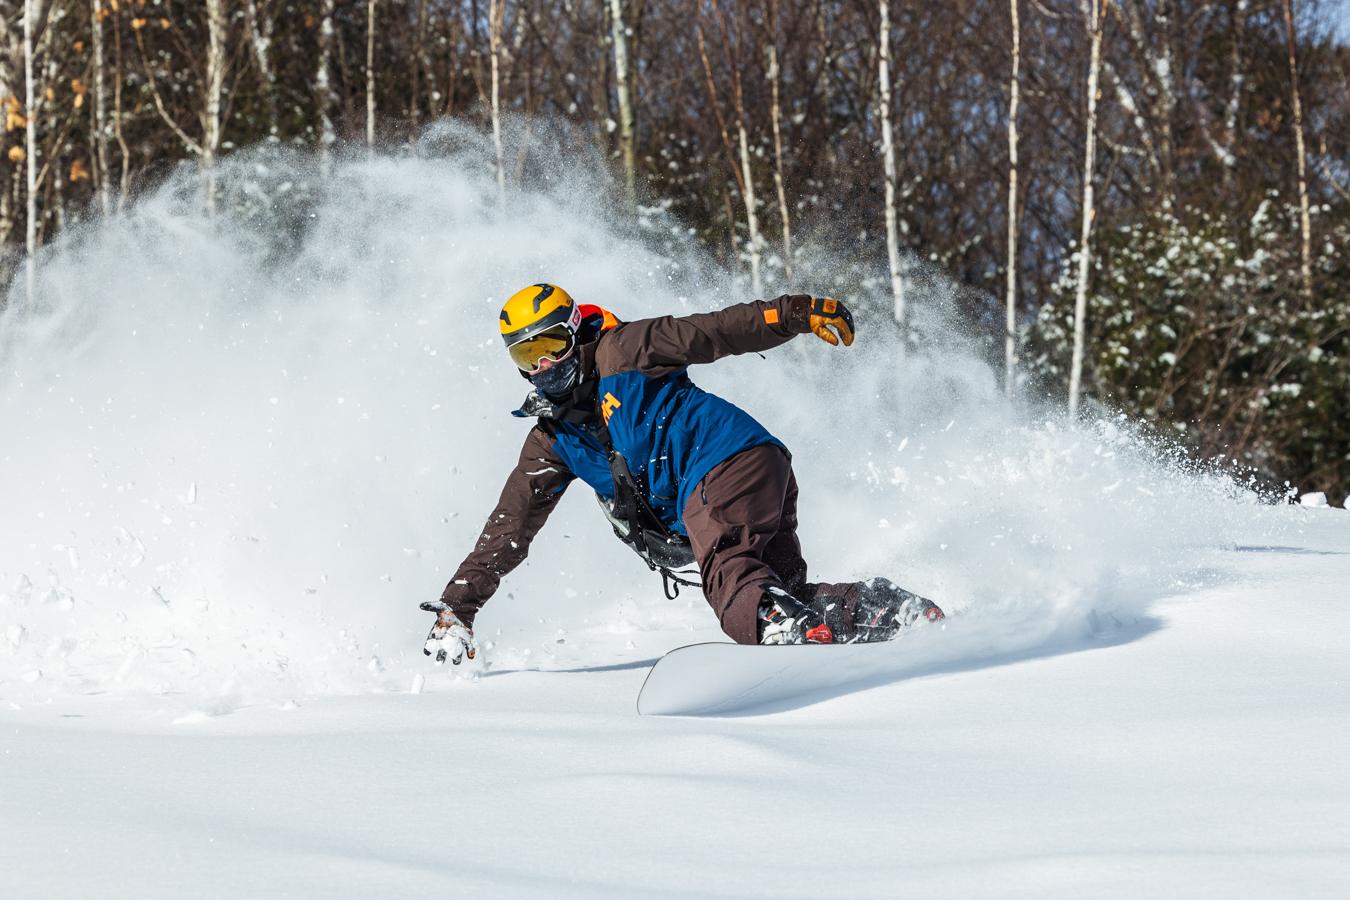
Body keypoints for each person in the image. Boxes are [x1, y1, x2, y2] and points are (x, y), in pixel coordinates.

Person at [421, 284, 943, 665]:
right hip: (754, 474)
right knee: (780, 585)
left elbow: (712, 331)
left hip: (725, 461)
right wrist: (457, 608)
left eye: (551, 347)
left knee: (730, 572)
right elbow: (510, 528)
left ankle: (779, 634)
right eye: (526, 355)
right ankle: (883, 611)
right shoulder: (552, 440)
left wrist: (795, 314)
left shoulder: (625, 350)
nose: (543, 367)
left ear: (576, 333)